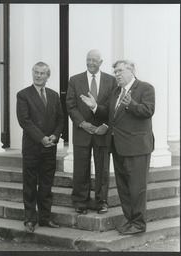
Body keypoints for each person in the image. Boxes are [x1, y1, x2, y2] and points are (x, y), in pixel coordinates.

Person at [80, 60, 155, 235]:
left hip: (137, 148)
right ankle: (130, 221)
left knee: (137, 188)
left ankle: (139, 223)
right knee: (124, 188)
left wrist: (131, 104)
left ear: (131, 71)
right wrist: (95, 107)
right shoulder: (116, 92)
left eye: (120, 71)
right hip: (118, 147)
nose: (117, 75)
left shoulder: (145, 88)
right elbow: (109, 114)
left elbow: (148, 110)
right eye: (115, 72)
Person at [66, 49, 117, 214]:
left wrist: (107, 125)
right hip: (82, 131)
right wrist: (82, 123)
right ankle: (80, 201)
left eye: (94, 60)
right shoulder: (75, 80)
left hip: (102, 131)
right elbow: (71, 105)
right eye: (88, 60)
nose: (91, 63)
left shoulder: (111, 81)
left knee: (102, 168)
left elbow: (113, 107)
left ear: (101, 62)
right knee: (81, 168)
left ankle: (101, 201)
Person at [16, 62, 64, 233]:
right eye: (36, 72)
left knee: (46, 185)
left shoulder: (53, 95)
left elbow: (60, 119)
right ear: (32, 73)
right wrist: (41, 138)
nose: (38, 75)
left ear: (47, 76)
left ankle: (45, 218)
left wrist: (55, 136)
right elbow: (24, 121)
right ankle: (29, 219)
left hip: (49, 147)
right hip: (32, 147)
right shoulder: (23, 95)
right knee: (29, 185)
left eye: (42, 73)